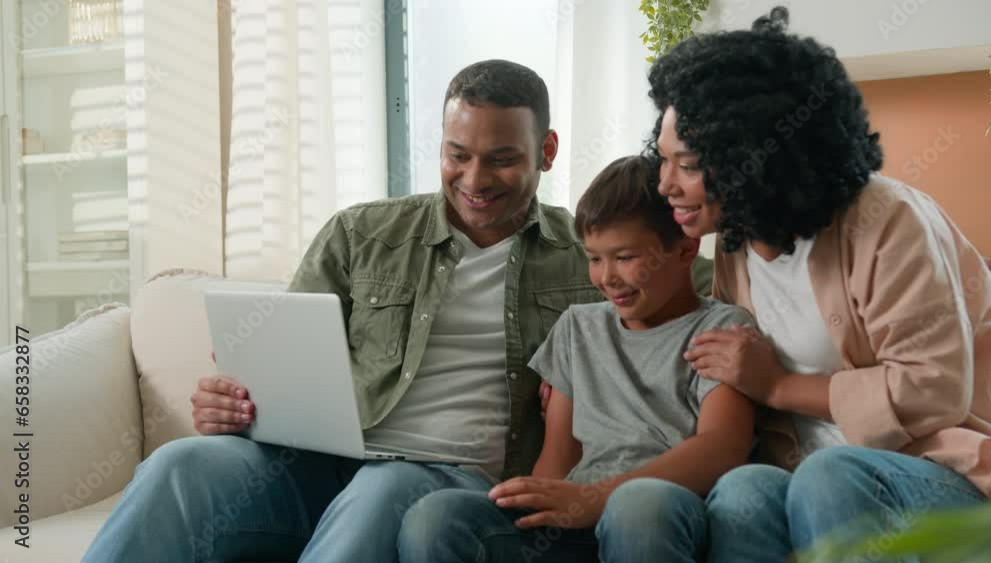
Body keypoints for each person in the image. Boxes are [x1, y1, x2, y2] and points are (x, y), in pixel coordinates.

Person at [82, 59, 612, 563]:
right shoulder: (361, 234)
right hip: (319, 465)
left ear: (546, 150)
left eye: (502, 159)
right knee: (178, 465)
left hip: (451, 481)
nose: (474, 180)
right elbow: (282, 367)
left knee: (385, 487)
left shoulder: (590, 260)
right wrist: (231, 402)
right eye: (458, 155)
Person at [645, 7, 991, 561]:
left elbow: (934, 389)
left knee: (830, 476)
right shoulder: (736, 243)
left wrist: (780, 387)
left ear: (758, 159)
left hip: (943, 474)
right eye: (662, 159)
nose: (665, 184)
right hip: (804, 470)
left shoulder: (888, 221)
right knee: (743, 490)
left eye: (687, 165)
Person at [397, 155, 756, 563]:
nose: (607, 277)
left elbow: (723, 446)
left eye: (624, 258)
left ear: (685, 249)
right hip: (575, 521)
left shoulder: (721, 328)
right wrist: (539, 500)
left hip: (659, 516)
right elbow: (558, 457)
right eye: (594, 258)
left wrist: (600, 497)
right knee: (438, 516)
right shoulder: (577, 328)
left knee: (638, 506)